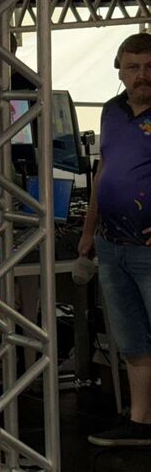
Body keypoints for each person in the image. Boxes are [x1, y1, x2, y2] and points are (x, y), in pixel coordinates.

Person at [79, 32, 151, 447]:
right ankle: (141, 421)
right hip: (112, 245)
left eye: (149, 66)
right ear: (119, 71)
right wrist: (89, 232)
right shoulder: (111, 111)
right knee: (132, 339)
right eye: (133, 67)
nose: (142, 75)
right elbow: (103, 171)